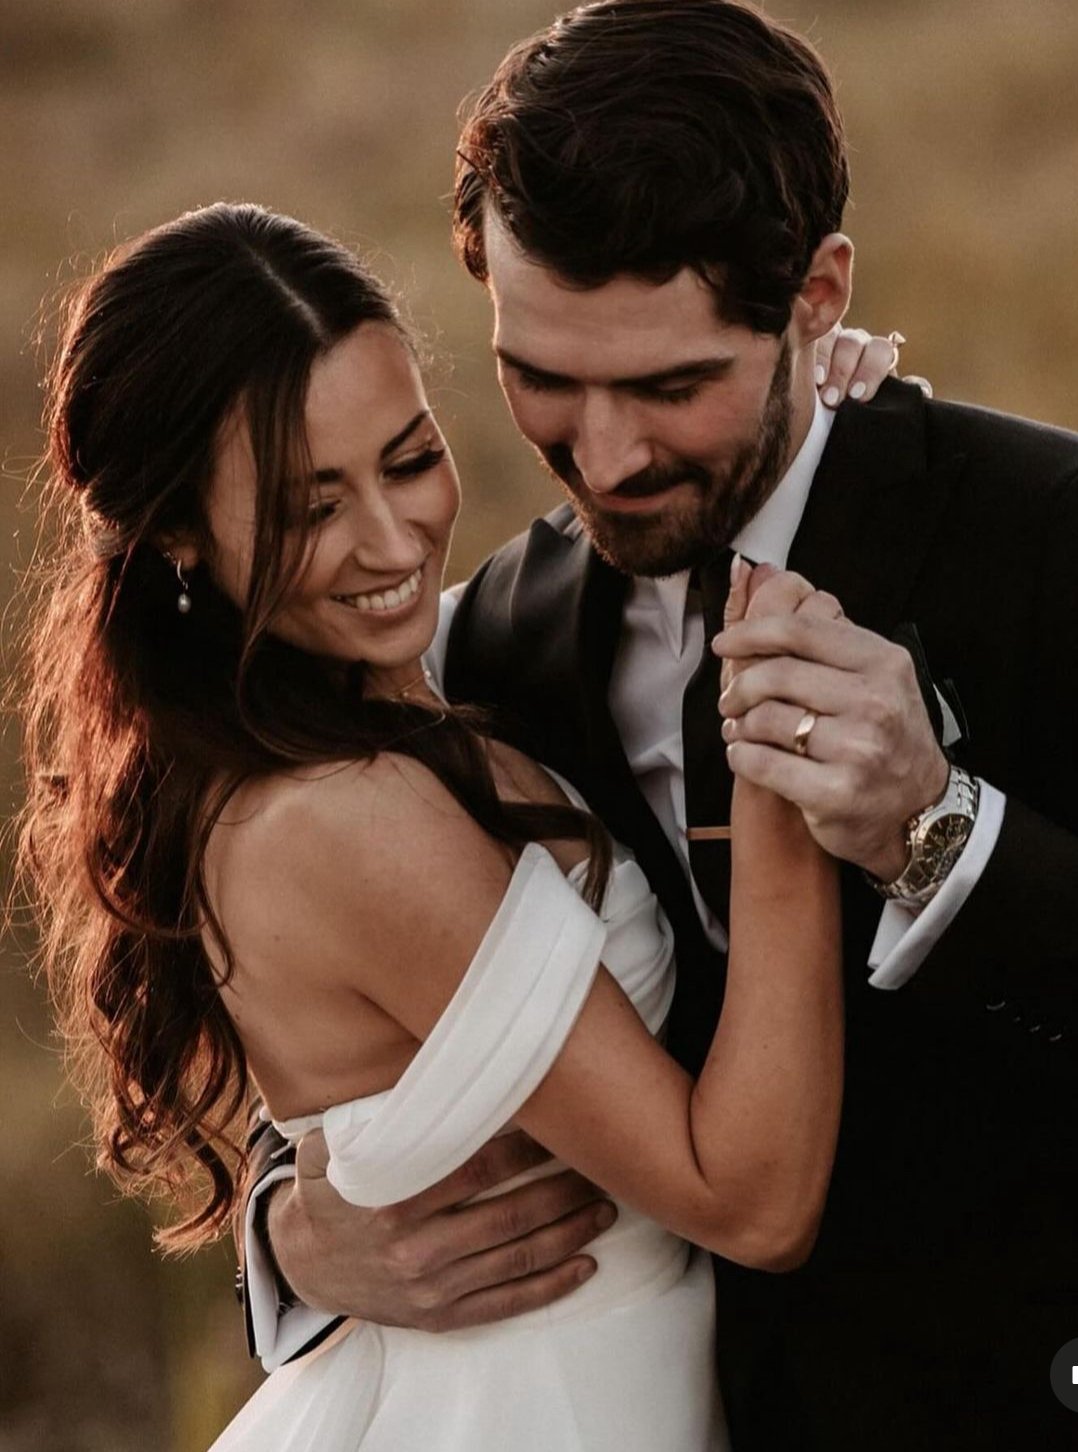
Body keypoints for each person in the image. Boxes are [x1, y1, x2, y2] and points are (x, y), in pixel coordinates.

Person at [249, 4, 1078, 1449]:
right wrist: (292, 1241)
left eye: (670, 385)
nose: (606, 457)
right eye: (540, 380)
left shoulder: (1046, 536)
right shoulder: (499, 630)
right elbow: (368, 963)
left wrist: (942, 833)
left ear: (817, 294)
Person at [22, 200, 867, 1450]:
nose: (391, 540)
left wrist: (812, 427)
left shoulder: (410, 689)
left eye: (408, 459)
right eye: (311, 507)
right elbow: (745, 1200)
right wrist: (775, 755)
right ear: (181, 537)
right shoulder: (338, 817)